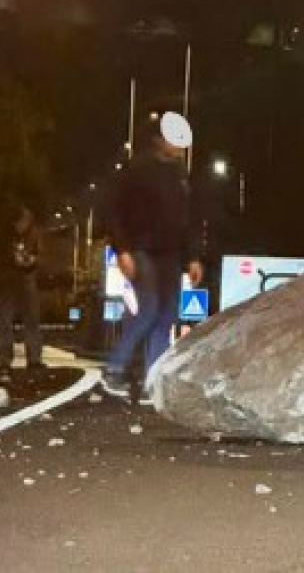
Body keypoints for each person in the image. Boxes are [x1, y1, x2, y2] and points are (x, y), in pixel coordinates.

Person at [102, 117, 202, 398]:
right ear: (159, 139)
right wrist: (122, 249)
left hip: (171, 253)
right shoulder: (138, 169)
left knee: (166, 315)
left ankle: (152, 379)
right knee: (149, 307)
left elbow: (187, 218)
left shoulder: (180, 174)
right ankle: (114, 368)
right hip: (141, 248)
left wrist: (193, 257)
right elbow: (115, 209)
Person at [0, 205, 44, 378]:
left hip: (27, 279)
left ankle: (34, 359)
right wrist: (12, 259)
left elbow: (41, 255)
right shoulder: (6, 236)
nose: (22, 225)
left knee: (32, 320)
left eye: (26, 221)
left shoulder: (34, 234)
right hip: (9, 281)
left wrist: (32, 260)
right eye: (20, 221)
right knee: (5, 322)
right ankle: (5, 361)